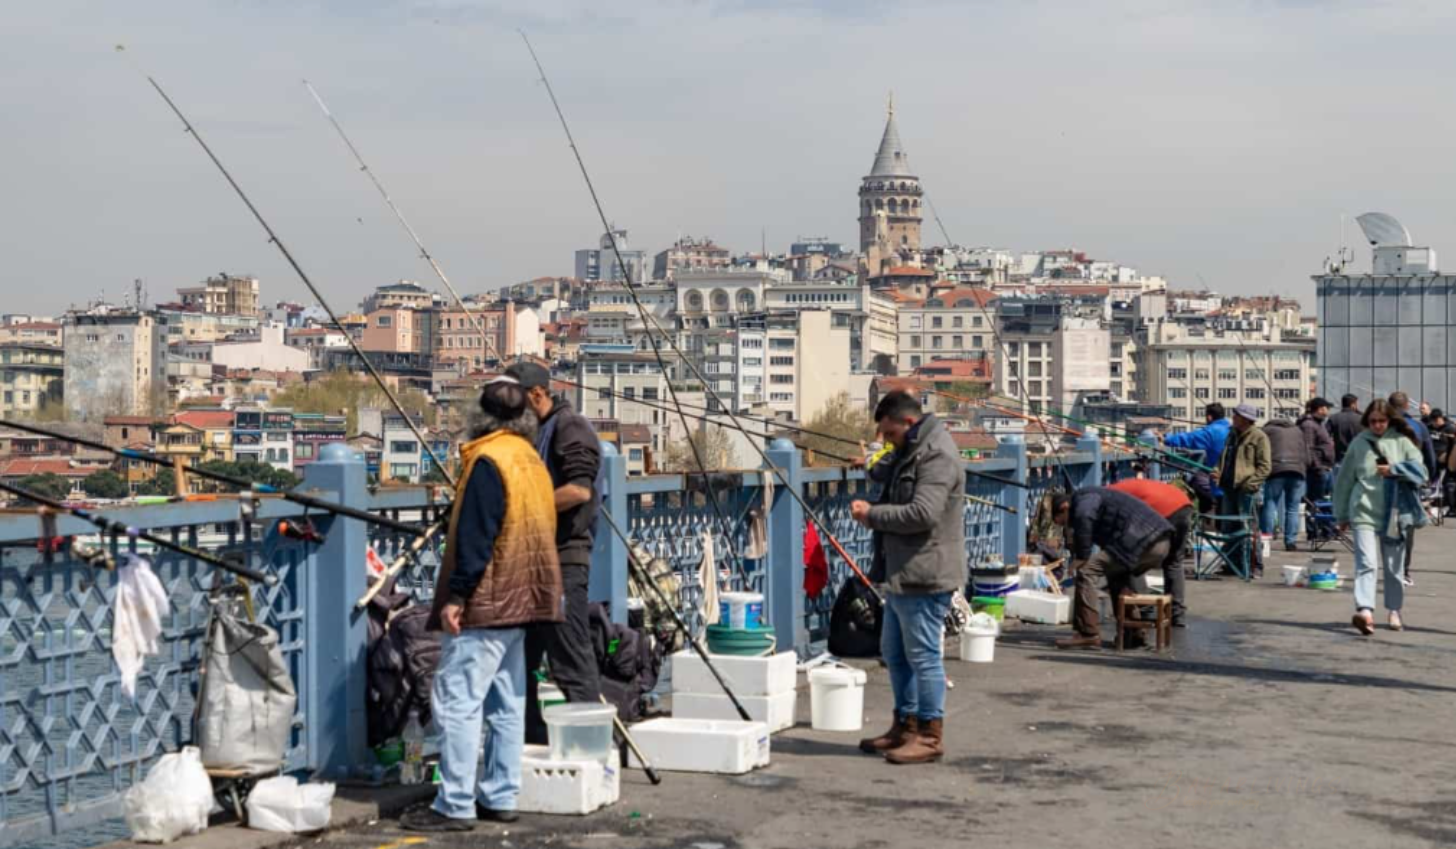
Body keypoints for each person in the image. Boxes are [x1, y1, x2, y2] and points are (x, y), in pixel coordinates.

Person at [402, 378, 562, 832]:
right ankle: (500, 794)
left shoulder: (488, 460)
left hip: (491, 600)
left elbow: (477, 536)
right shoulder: (531, 459)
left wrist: (457, 596)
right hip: (529, 597)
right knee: (508, 701)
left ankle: (454, 802)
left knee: (458, 701)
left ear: (480, 417)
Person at [849, 391, 965, 765]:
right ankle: (905, 726)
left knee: (924, 657)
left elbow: (923, 513)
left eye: (889, 433)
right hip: (902, 572)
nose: (886, 441)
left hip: (926, 572)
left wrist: (872, 515)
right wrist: (870, 463)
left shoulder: (937, 455)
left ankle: (930, 736)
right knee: (895, 655)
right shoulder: (913, 447)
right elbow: (890, 469)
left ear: (908, 424)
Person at [504, 361, 605, 746]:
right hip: (532, 561)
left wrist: (524, 505)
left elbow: (580, 490)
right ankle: (532, 741)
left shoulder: (570, 427)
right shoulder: (536, 433)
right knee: (522, 658)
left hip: (563, 561)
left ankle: (591, 747)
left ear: (537, 395)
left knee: (569, 656)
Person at [1333, 399, 1427, 635]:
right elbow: (1344, 480)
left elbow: (1422, 473)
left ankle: (1394, 609)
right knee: (1366, 563)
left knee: (1394, 567)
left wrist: (1395, 469)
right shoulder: (1358, 443)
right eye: (1373, 421)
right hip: (1362, 509)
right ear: (1367, 421)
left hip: (1394, 512)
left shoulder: (1402, 441)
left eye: (1381, 421)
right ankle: (1365, 611)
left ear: (1390, 420)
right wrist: (1341, 514)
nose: (1377, 425)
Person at [1051, 487, 1173, 650]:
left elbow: (1084, 515)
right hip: (1159, 541)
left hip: (1142, 540)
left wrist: (1082, 556)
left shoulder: (1084, 498)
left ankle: (1088, 634)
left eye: (1065, 522)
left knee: (1087, 571)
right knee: (1116, 574)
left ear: (1065, 507)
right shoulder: (1096, 500)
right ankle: (1133, 634)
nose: (1069, 527)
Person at [1107, 478, 1194, 627]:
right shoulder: (1116, 489)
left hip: (1162, 508)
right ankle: (1177, 614)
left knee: (1132, 557)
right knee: (1174, 562)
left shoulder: (1105, 499)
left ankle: (1144, 609)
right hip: (1183, 504)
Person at [1219, 404, 1271, 577]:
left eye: (1237, 415)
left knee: (1249, 528)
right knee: (1229, 528)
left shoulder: (1259, 437)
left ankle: (1255, 565)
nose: (1233, 418)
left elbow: (1265, 467)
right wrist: (1217, 472)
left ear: (1246, 419)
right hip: (1228, 488)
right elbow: (1224, 459)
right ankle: (1232, 564)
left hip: (1247, 490)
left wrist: (1251, 484)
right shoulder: (1231, 435)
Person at [1161, 403, 1230, 513]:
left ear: (1209, 417)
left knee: (1195, 482)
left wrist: (1166, 438)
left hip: (1220, 485)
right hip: (1233, 484)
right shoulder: (1230, 429)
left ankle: (1205, 515)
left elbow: (1190, 439)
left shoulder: (1212, 432)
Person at [1261, 415, 1310, 552]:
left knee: (1270, 504)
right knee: (1293, 508)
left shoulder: (1267, 430)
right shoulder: (1298, 431)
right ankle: (1290, 542)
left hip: (1276, 470)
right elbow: (1306, 453)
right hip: (1297, 471)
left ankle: (1266, 541)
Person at [1388, 391, 1437, 478]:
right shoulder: (1419, 426)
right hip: (1412, 478)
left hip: (1387, 477)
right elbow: (1430, 457)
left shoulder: (1380, 426)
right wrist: (1429, 477)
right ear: (1407, 406)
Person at [1298, 398, 1336, 508]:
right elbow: (1309, 448)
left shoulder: (1318, 424)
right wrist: (1318, 468)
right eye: (1327, 408)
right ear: (1320, 409)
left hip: (1326, 468)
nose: (1328, 411)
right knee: (1315, 501)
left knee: (1324, 500)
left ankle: (1322, 524)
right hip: (1317, 471)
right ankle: (1313, 524)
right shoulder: (1309, 425)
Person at [1327, 394, 1363, 463]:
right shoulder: (1361, 419)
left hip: (1339, 457)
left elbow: (1325, 436)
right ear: (1353, 405)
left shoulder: (1333, 418)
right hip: (1358, 456)